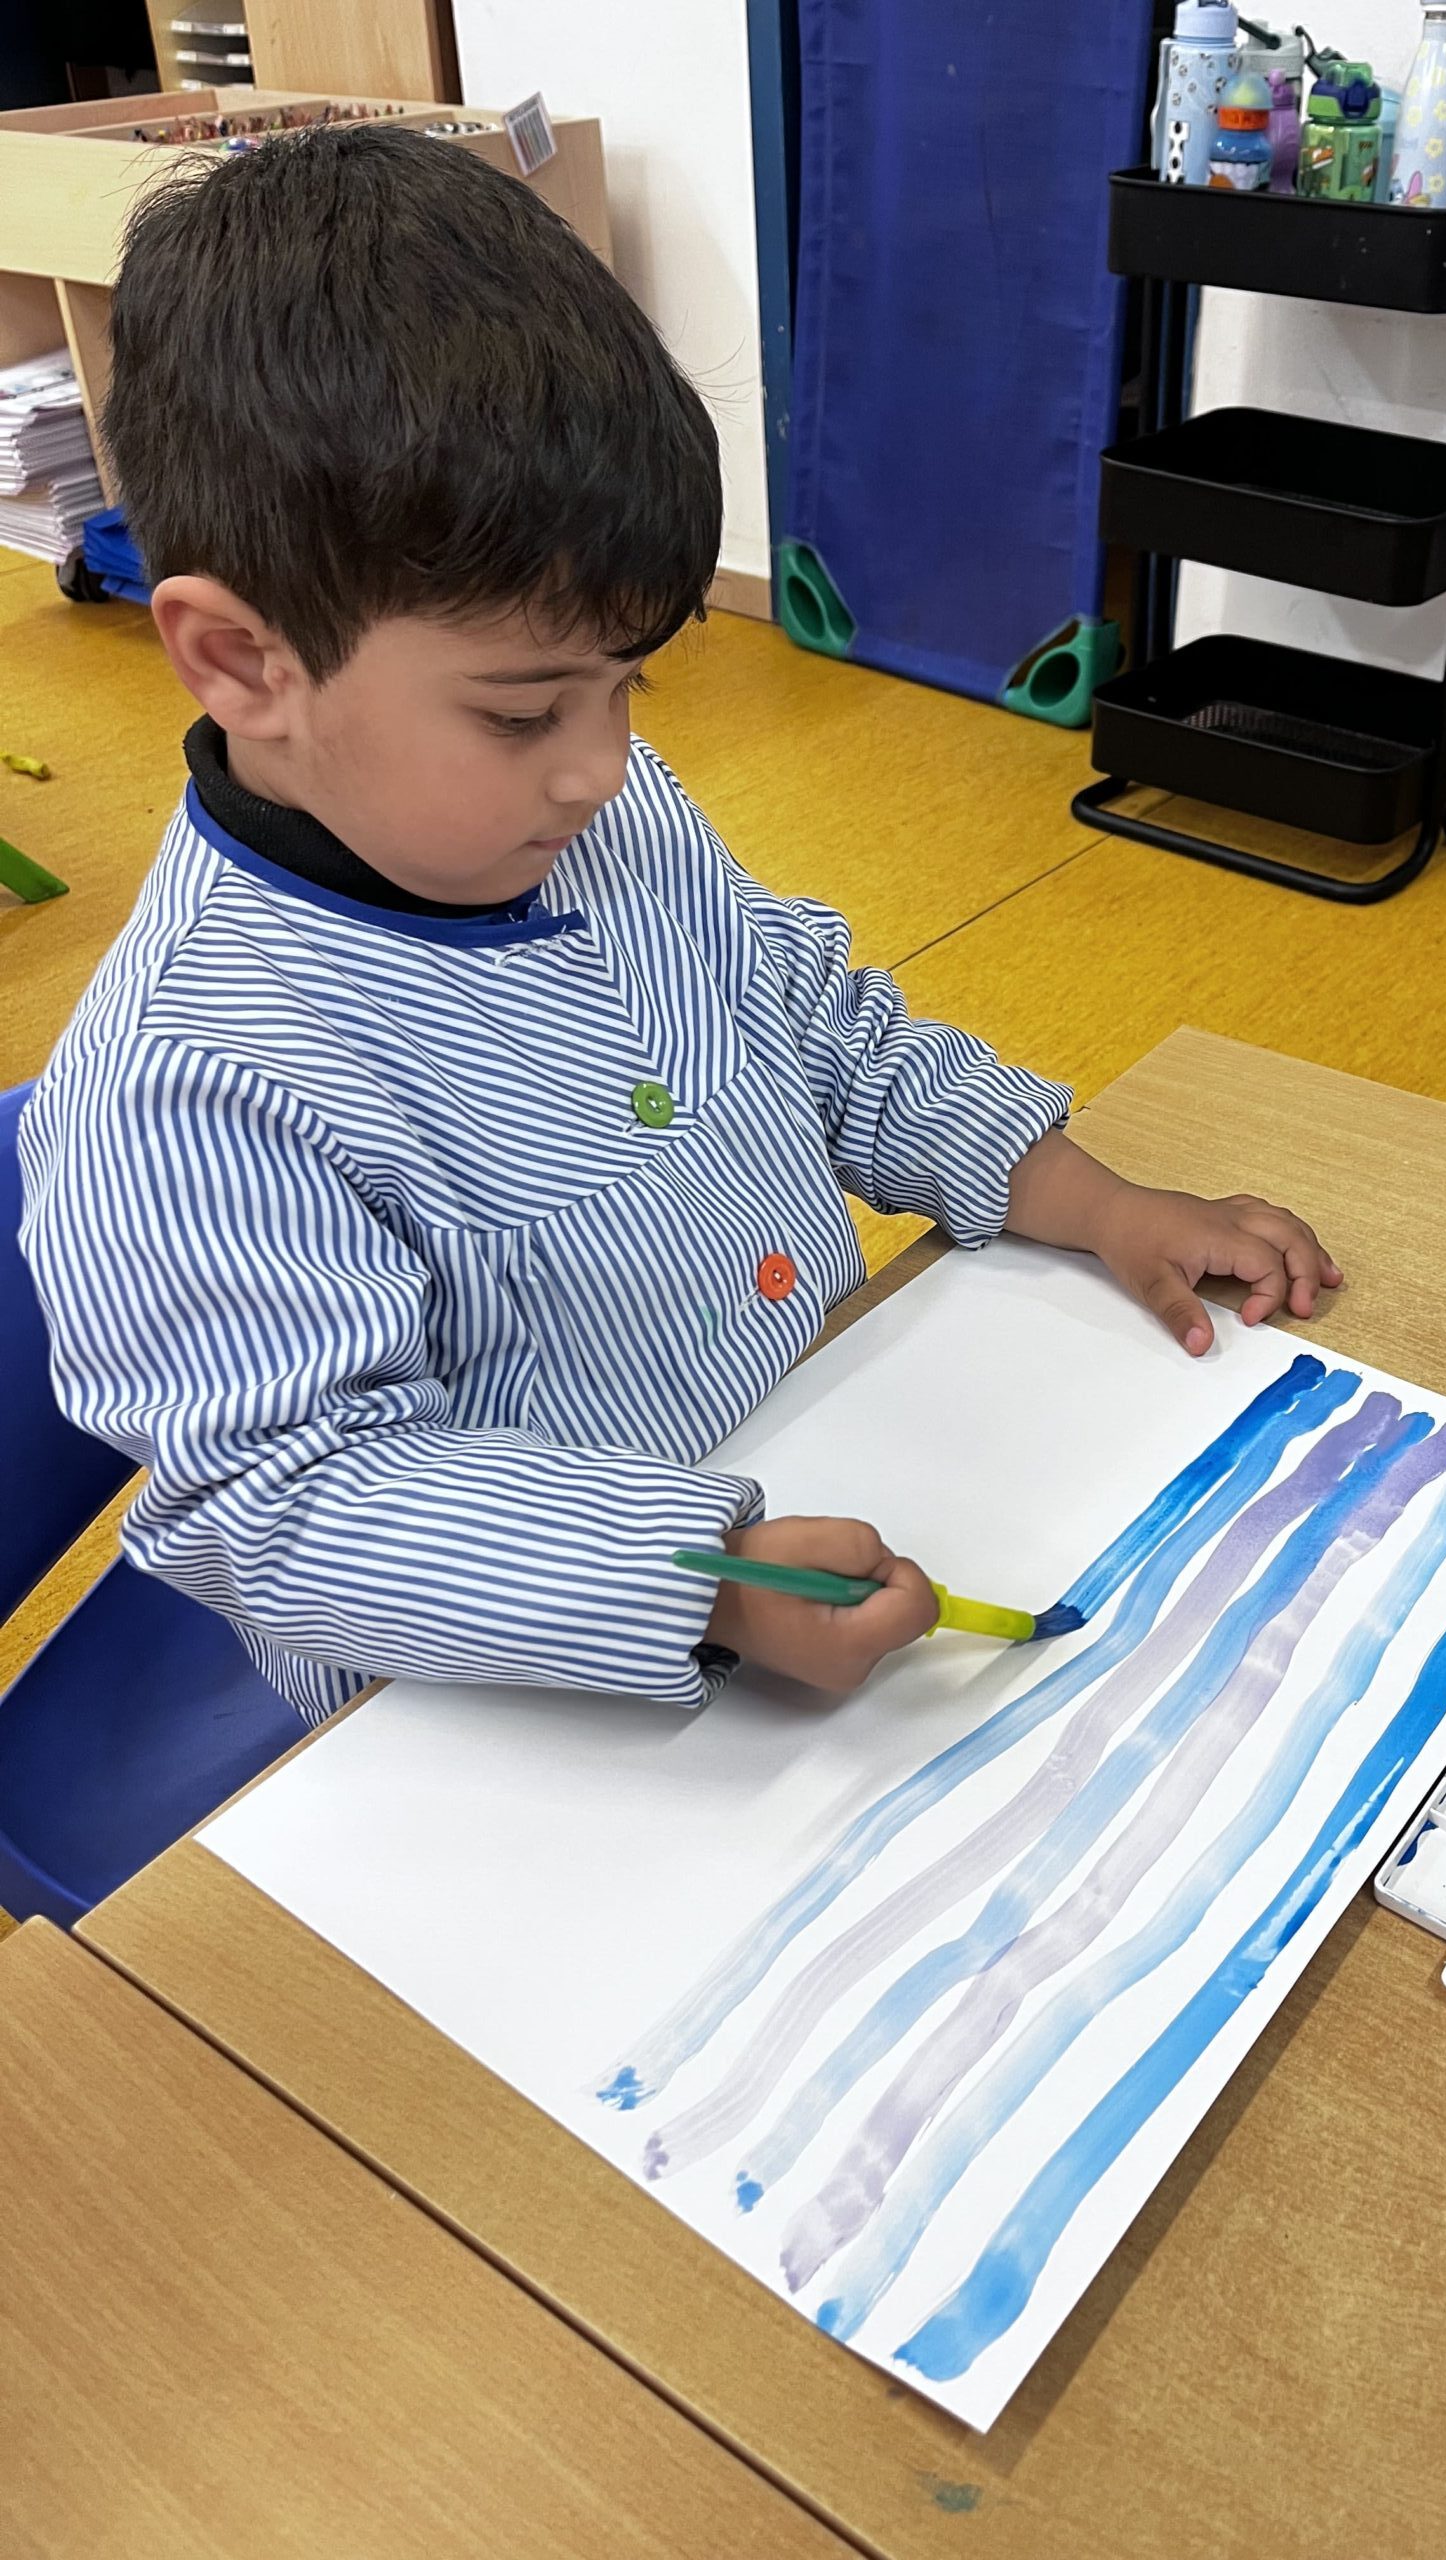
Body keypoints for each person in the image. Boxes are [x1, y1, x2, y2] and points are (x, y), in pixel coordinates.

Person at [19, 127, 1340, 1727]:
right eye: (523, 711)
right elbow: (297, 1508)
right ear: (242, 662)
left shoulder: (596, 812)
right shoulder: (189, 1086)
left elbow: (820, 1034)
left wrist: (1096, 1202)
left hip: (822, 1462)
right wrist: (700, 1583)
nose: (603, 762)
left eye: (629, 682)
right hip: (520, 1699)